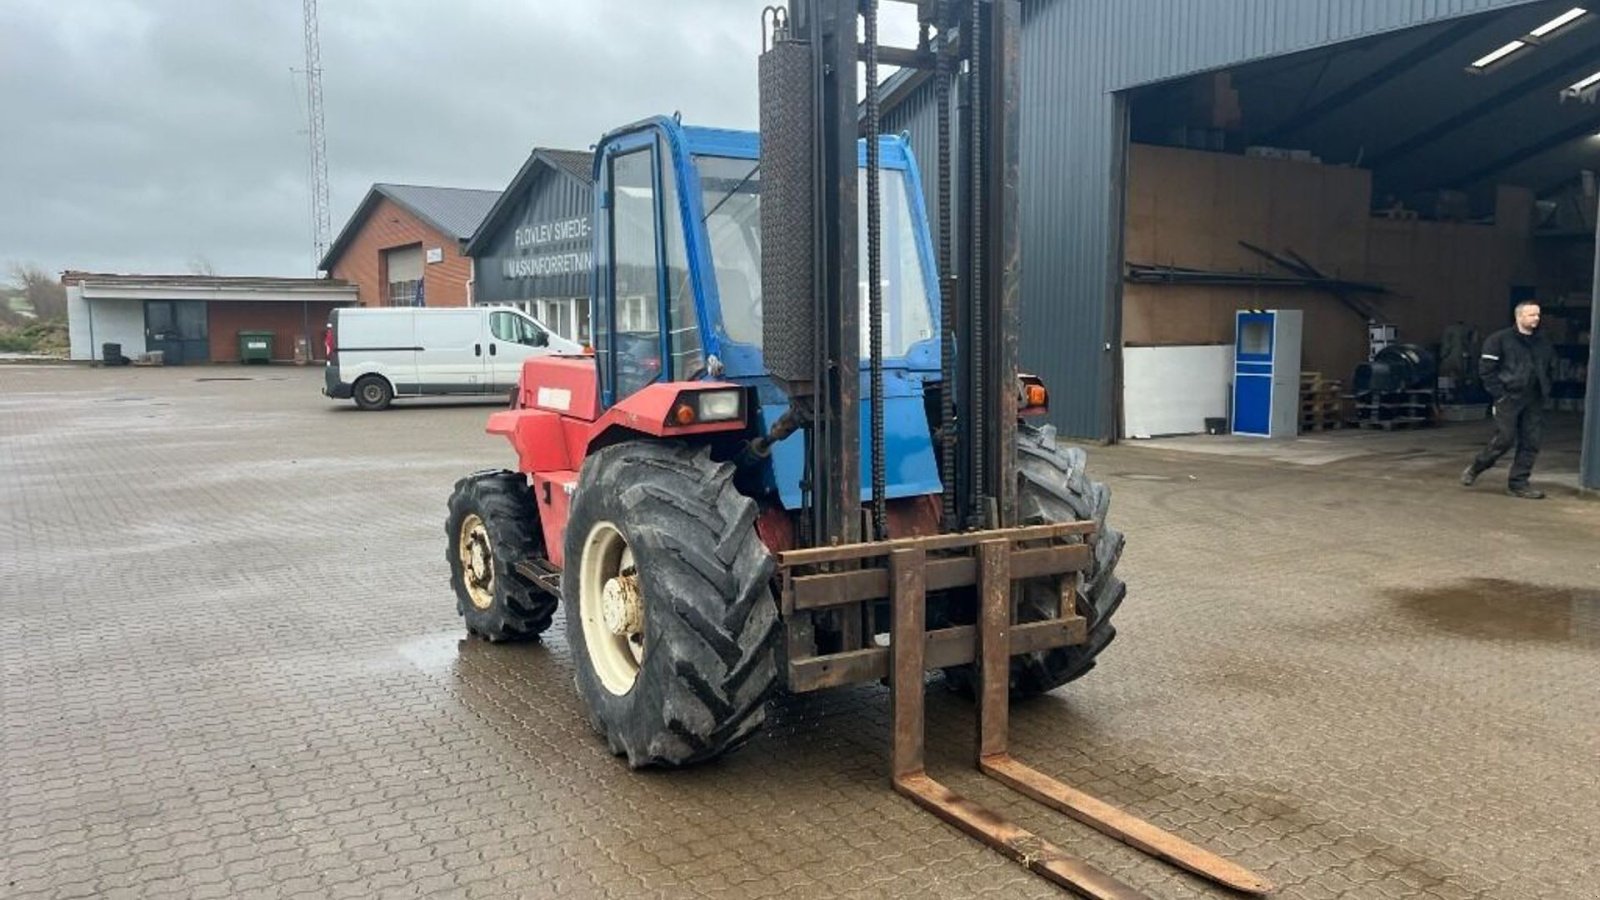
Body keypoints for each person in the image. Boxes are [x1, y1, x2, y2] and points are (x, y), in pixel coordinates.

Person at [1460, 300, 1555, 499]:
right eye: (1531, 315)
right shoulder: (1499, 340)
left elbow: (1549, 367)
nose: (1536, 318)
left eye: (1538, 315)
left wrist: (1546, 387)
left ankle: (1518, 483)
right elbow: (1486, 370)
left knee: (1531, 442)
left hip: (1534, 398)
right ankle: (1477, 467)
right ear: (1519, 316)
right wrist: (1499, 395)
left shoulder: (1543, 342)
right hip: (1509, 397)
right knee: (1505, 439)